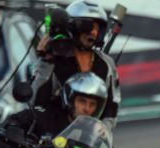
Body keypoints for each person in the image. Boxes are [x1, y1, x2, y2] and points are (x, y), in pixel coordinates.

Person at [32, 0, 121, 131]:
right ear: (73, 26)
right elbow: (37, 101)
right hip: (55, 137)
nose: (94, 33)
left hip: (91, 138)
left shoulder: (106, 64)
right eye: (89, 26)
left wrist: (102, 130)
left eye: (98, 28)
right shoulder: (53, 61)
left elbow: (112, 106)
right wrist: (45, 61)